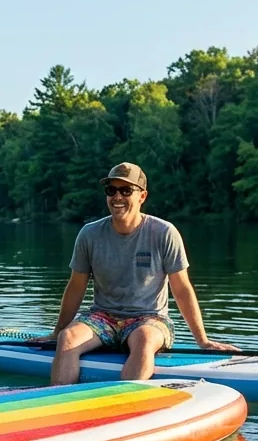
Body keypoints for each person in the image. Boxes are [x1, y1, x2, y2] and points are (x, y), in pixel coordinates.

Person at [40, 161, 236, 385]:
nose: (117, 197)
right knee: (68, 338)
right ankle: (60, 404)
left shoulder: (164, 233)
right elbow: (76, 287)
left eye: (126, 190)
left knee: (143, 338)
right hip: (103, 317)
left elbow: (181, 289)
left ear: (142, 196)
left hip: (150, 319)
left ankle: (123, 405)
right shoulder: (89, 234)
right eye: (111, 190)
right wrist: (57, 332)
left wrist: (203, 341)